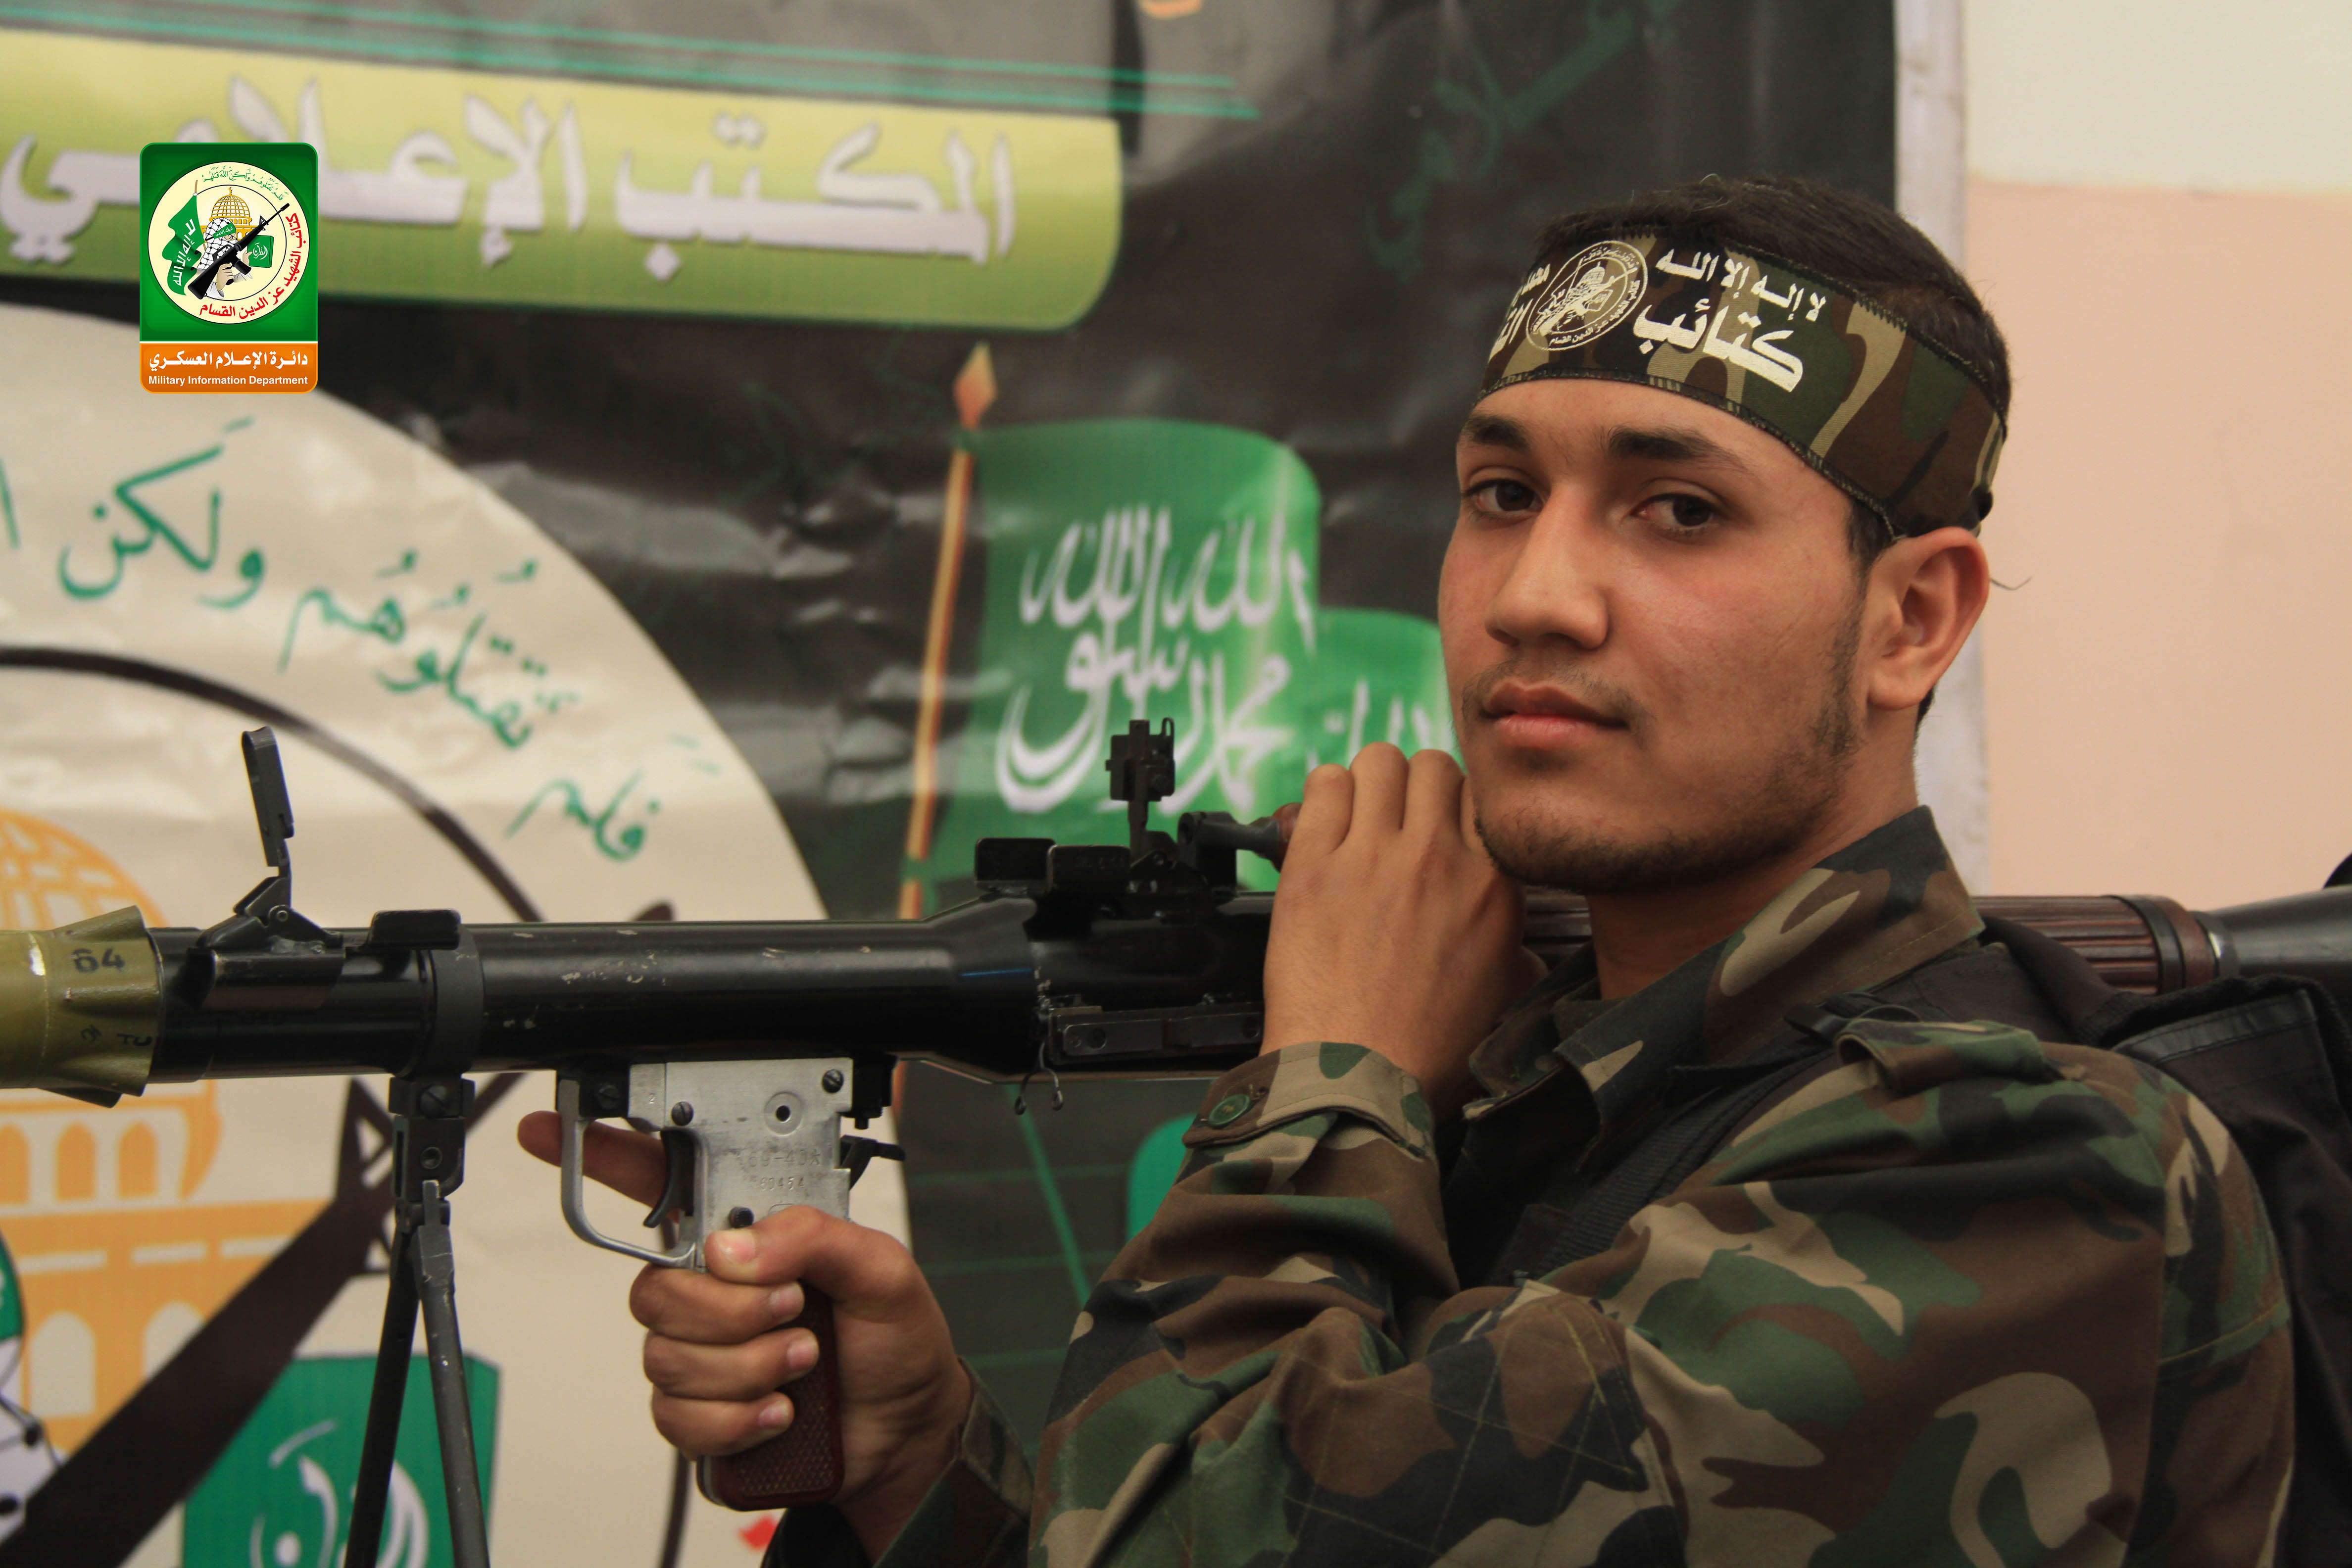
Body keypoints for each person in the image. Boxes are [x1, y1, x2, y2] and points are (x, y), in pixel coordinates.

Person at [520, 175, 2293, 1566]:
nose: (1535, 595)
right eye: (1502, 494)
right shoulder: (1538, 1099)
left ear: (1912, 618)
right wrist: (921, 1470)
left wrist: (1331, 1072)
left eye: (1678, 511)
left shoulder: (2024, 1169)